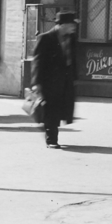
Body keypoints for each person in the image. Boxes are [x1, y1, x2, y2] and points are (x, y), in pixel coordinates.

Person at [33, 10, 78, 149]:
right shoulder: (46, 38)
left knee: (60, 108)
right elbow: (38, 62)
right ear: (62, 25)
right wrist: (36, 82)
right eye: (71, 25)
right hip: (49, 81)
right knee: (51, 110)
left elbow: (73, 59)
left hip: (65, 80)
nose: (74, 28)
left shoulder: (71, 38)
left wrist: (74, 77)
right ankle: (51, 139)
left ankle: (48, 129)